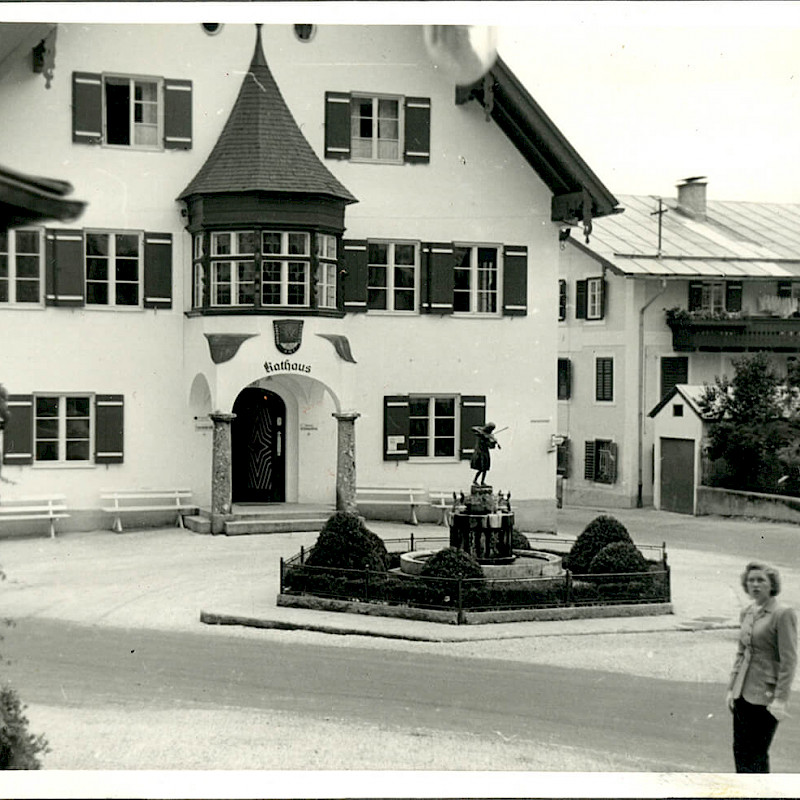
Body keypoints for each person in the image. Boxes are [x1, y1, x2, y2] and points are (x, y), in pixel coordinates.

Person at [726, 560, 797, 773]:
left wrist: (780, 699)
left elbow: (788, 660)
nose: (755, 585)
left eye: (761, 580)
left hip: (766, 696)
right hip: (742, 693)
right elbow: (741, 652)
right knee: (740, 751)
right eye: (751, 580)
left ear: (771, 584)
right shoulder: (747, 611)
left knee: (757, 753)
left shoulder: (782, 613)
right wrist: (731, 688)